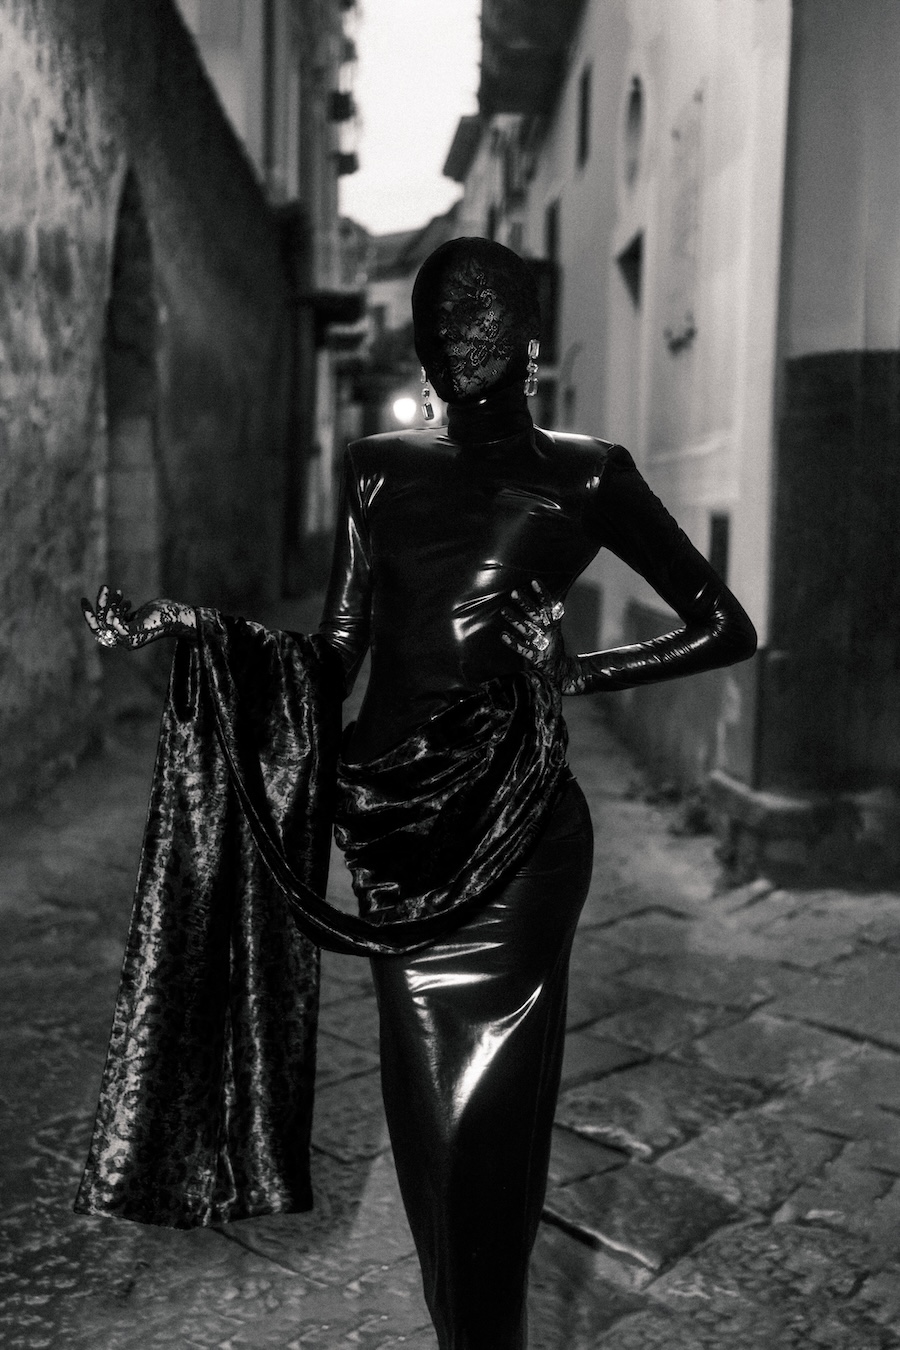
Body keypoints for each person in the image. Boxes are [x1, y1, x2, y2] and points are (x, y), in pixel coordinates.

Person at [82, 237, 756, 1350]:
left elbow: (725, 624)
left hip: (520, 839)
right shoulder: (379, 468)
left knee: (487, 1135)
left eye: (479, 321)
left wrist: (579, 672)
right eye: (443, 324)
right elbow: (335, 653)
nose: (460, 341)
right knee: (431, 1135)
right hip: (400, 844)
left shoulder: (590, 474)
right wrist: (196, 632)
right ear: (423, 347)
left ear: (529, 340)